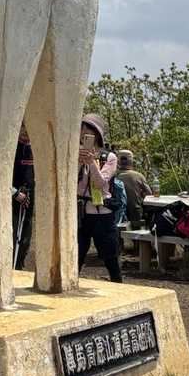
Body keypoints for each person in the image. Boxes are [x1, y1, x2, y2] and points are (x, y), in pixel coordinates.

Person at [77, 114, 122, 282]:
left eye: (87, 129)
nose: (83, 132)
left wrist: (91, 162)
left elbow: (101, 183)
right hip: (81, 212)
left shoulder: (109, 157)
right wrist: (79, 162)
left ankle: (118, 285)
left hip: (103, 212)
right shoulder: (75, 153)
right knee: (77, 254)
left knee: (110, 256)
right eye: (81, 128)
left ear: (96, 133)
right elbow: (70, 180)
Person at [12, 125, 35, 269]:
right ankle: (11, 264)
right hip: (13, 197)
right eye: (22, 127)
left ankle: (20, 263)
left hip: (30, 197)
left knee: (26, 233)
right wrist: (14, 193)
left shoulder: (35, 148)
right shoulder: (12, 147)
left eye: (28, 127)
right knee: (13, 232)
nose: (25, 131)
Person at [116, 150, 153, 228]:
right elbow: (149, 194)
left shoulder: (112, 175)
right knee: (137, 233)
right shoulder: (138, 176)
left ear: (118, 161)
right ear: (131, 161)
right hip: (135, 212)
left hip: (117, 213)